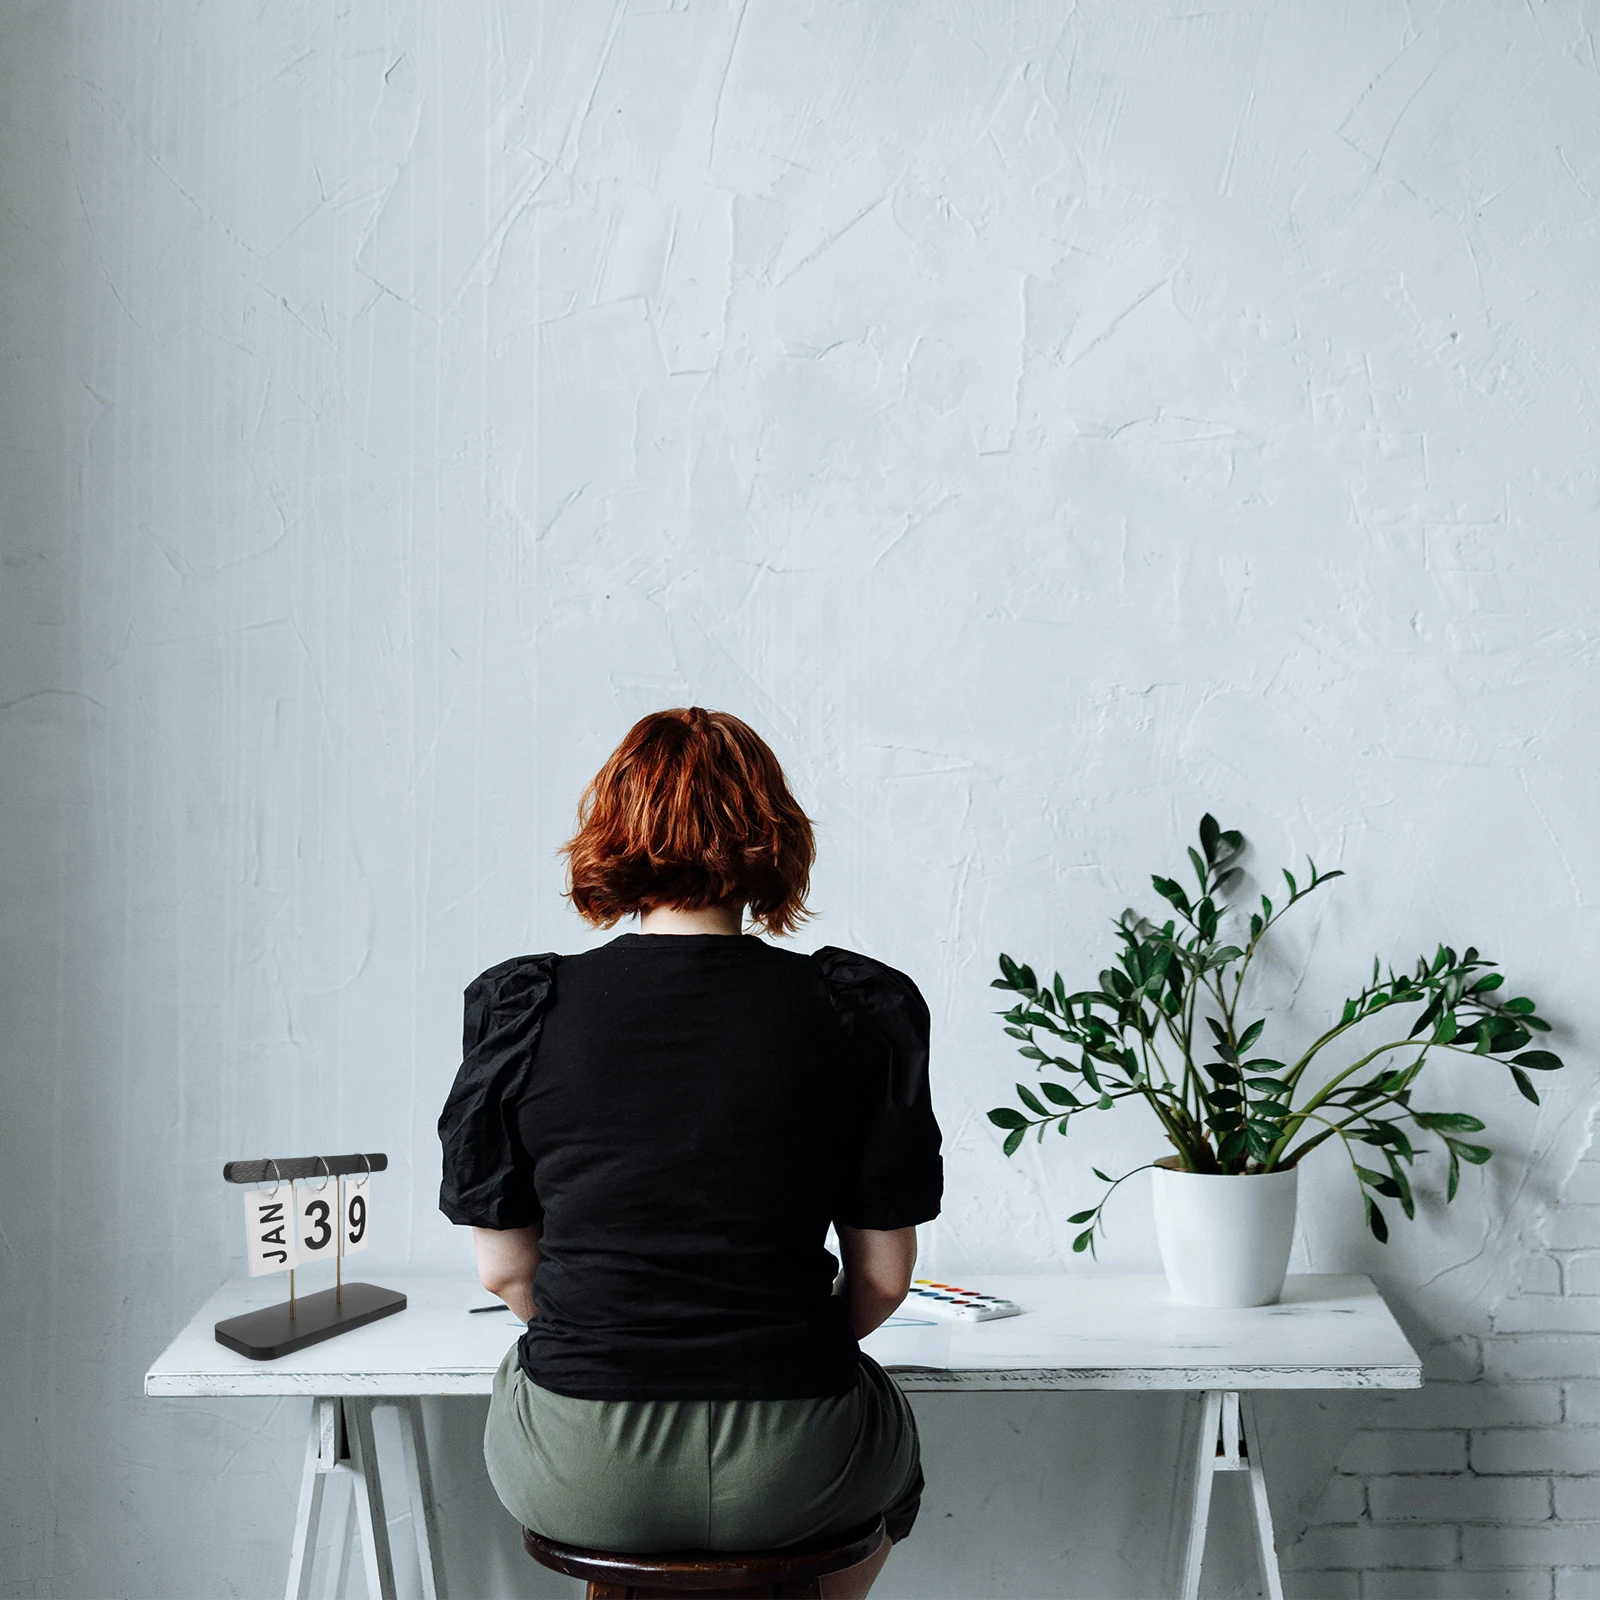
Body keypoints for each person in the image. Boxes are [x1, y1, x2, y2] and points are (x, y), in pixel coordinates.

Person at [437, 707, 943, 1599]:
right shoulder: (857, 1008)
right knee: (882, 1461)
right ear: (774, 834)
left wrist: (617, 1348)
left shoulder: (526, 1008)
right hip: (799, 1460)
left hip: (583, 1469)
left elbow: (506, 1276)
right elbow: (884, 1282)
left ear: (614, 834)